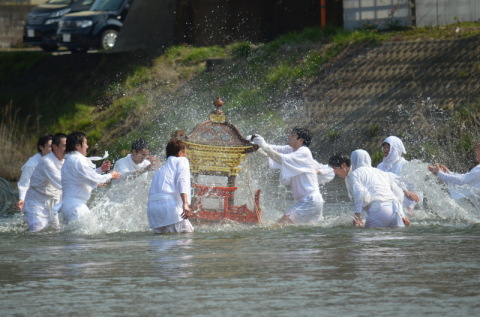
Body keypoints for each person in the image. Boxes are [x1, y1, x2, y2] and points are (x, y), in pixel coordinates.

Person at [251, 127, 334, 224]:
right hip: (309, 201)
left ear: (301, 140)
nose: (290, 136)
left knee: (280, 225)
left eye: (293, 135)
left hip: (310, 200)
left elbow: (279, 158)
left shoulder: (304, 151)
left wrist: (263, 145)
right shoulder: (291, 149)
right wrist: (253, 142)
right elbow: (271, 149)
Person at [329, 150, 409, 228]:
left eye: (334, 168)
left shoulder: (355, 174)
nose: (334, 172)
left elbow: (359, 193)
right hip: (395, 212)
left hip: (380, 210)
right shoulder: (379, 172)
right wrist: (402, 214)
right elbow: (396, 190)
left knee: (362, 238)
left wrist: (358, 216)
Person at [60, 132, 121, 224]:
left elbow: (81, 176)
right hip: (76, 208)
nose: (87, 146)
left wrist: (100, 170)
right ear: (77, 146)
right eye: (85, 143)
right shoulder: (77, 160)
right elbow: (95, 179)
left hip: (70, 207)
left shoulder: (70, 159)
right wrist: (111, 175)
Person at [147, 139, 194, 234]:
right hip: (169, 207)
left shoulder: (160, 170)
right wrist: (185, 203)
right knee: (187, 238)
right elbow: (182, 180)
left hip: (152, 211)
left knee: (162, 245)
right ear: (180, 153)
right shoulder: (182, 160)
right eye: (186, 153)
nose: (186, 155)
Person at [23, 133, 67, 232]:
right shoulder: (47, 161)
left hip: (53, 205)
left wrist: (98, 172)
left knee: (55, 236)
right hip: (36, 204)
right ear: (55, 147)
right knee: (36, 235)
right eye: (64, 146)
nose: (67, 149)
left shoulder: (66, 161)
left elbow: (78, 174)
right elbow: (60, 182)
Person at [377, 136, 420, 215]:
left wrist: (410, 207)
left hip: (404, 206)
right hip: (386, 204)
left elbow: (417, 188)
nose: (385, 150)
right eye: (384, 147)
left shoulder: (405, 165)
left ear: (395, 149)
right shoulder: (380, 166)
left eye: (388, 148)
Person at [17, 134, 53, 211]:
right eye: (50, 146)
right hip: (34, 202)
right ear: (41, 147)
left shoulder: (56, 160)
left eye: (54, 146)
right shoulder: (31, 165)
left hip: (49, 201)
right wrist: (22, 199)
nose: (53, 149)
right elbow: (24, 184)